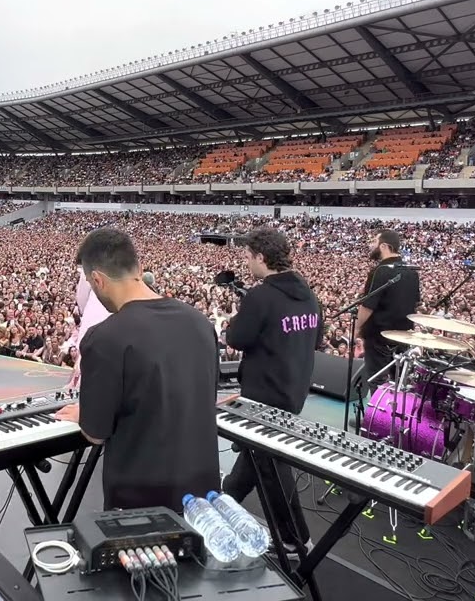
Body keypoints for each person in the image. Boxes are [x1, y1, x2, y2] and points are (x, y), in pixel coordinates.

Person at [53, 228, 221, 512]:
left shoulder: (105, 337)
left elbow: (96, 433)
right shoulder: (200, 323)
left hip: (142, 502)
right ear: (139, 269)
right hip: (204, 497)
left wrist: (85, 414)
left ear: (98, 280)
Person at [222, 227, 323, 549]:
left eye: (249, 257)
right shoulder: (309, 294)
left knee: (269, 465)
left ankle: (297, 537)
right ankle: (227, 498)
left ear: (261, 257)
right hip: (295, 389)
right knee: (255, 458)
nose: (247, 264)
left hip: (264, 394)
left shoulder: (261, 296)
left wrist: (235, 320)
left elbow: (235, 339)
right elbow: (316, 341)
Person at [354, 229, 421, 383]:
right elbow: (414, 302)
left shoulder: (380, 271)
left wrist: (357, 329)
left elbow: (368, 306)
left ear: (384, 246)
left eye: (374, 242)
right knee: (398, 381)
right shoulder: (411, 272)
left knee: (377, 381)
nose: (371, 246)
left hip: (378, 337)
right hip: (402, 336)